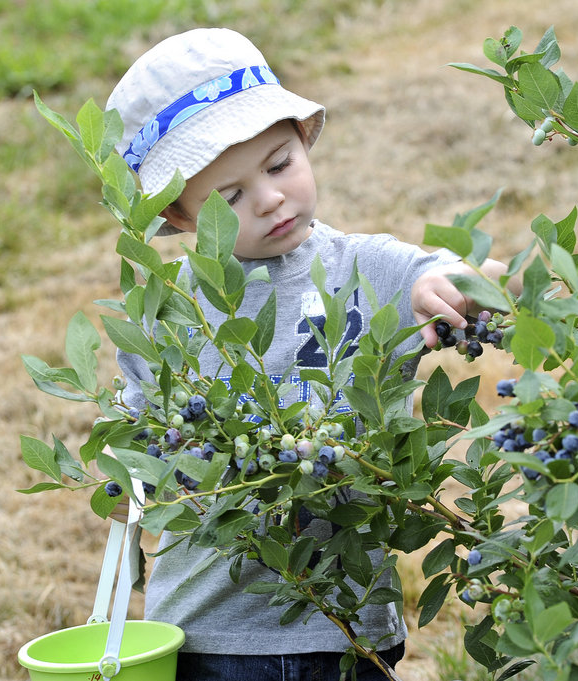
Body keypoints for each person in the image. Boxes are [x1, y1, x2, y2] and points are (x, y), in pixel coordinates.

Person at [106, 27, 507, 681]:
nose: (269, 198)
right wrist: (122, 474)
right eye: (228, 197)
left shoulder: (365, 268)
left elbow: (463, 273)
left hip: (347, 628)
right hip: (209, 636)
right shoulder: (165, 313)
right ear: (178, 217)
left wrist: (461, 282)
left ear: (303, 136)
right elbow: (139, 442)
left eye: (279, 163)